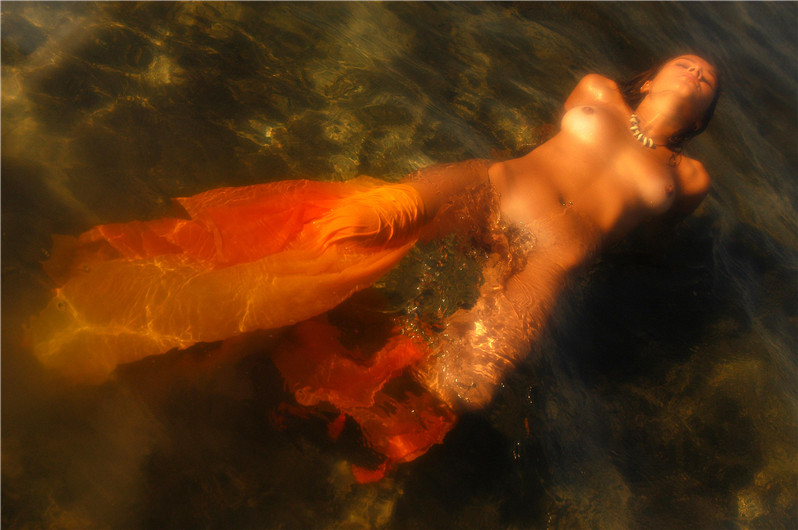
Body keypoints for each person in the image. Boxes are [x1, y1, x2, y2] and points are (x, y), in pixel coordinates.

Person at [29, 54, 720, 479]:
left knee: (467, 384)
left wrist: (545, 262)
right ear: (650, 76)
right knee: (354, 223)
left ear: (701, 120)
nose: (698, 72)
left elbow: (648, 242)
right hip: (491, 189)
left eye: (709, 81)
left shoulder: (687, 176)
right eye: (688, 63)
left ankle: (303, 412)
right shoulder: (596, 89)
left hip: (550, 261)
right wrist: (483, 231)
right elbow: (542, 145)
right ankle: (168, 311)